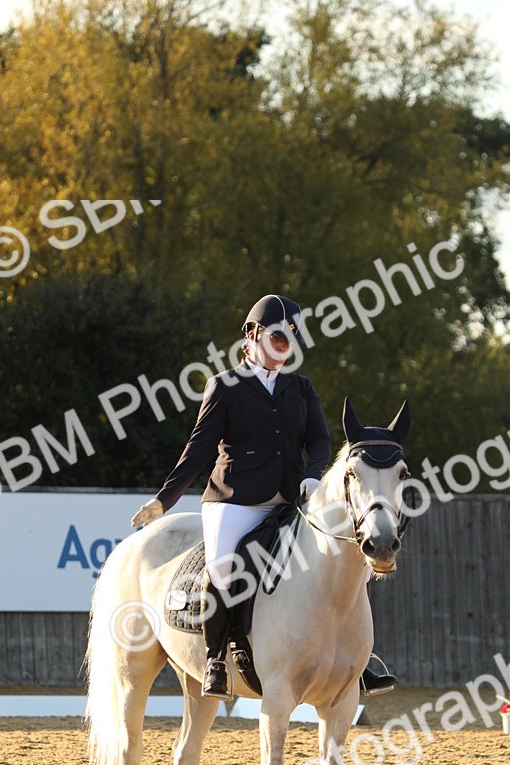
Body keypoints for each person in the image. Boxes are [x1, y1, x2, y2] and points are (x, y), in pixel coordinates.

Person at [131, 293, 397, 698]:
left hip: (290, 499)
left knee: (341, 562)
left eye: (291, 337)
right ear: (252, 335)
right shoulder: (225, 386)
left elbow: (321, 441)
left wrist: (311, 477)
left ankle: (358, 660)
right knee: (223, 569)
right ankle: (217, 657)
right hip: (234, 500)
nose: (284, 345)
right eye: (277, 335)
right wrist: (164, 500)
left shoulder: (300, 388)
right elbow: (198, 448)